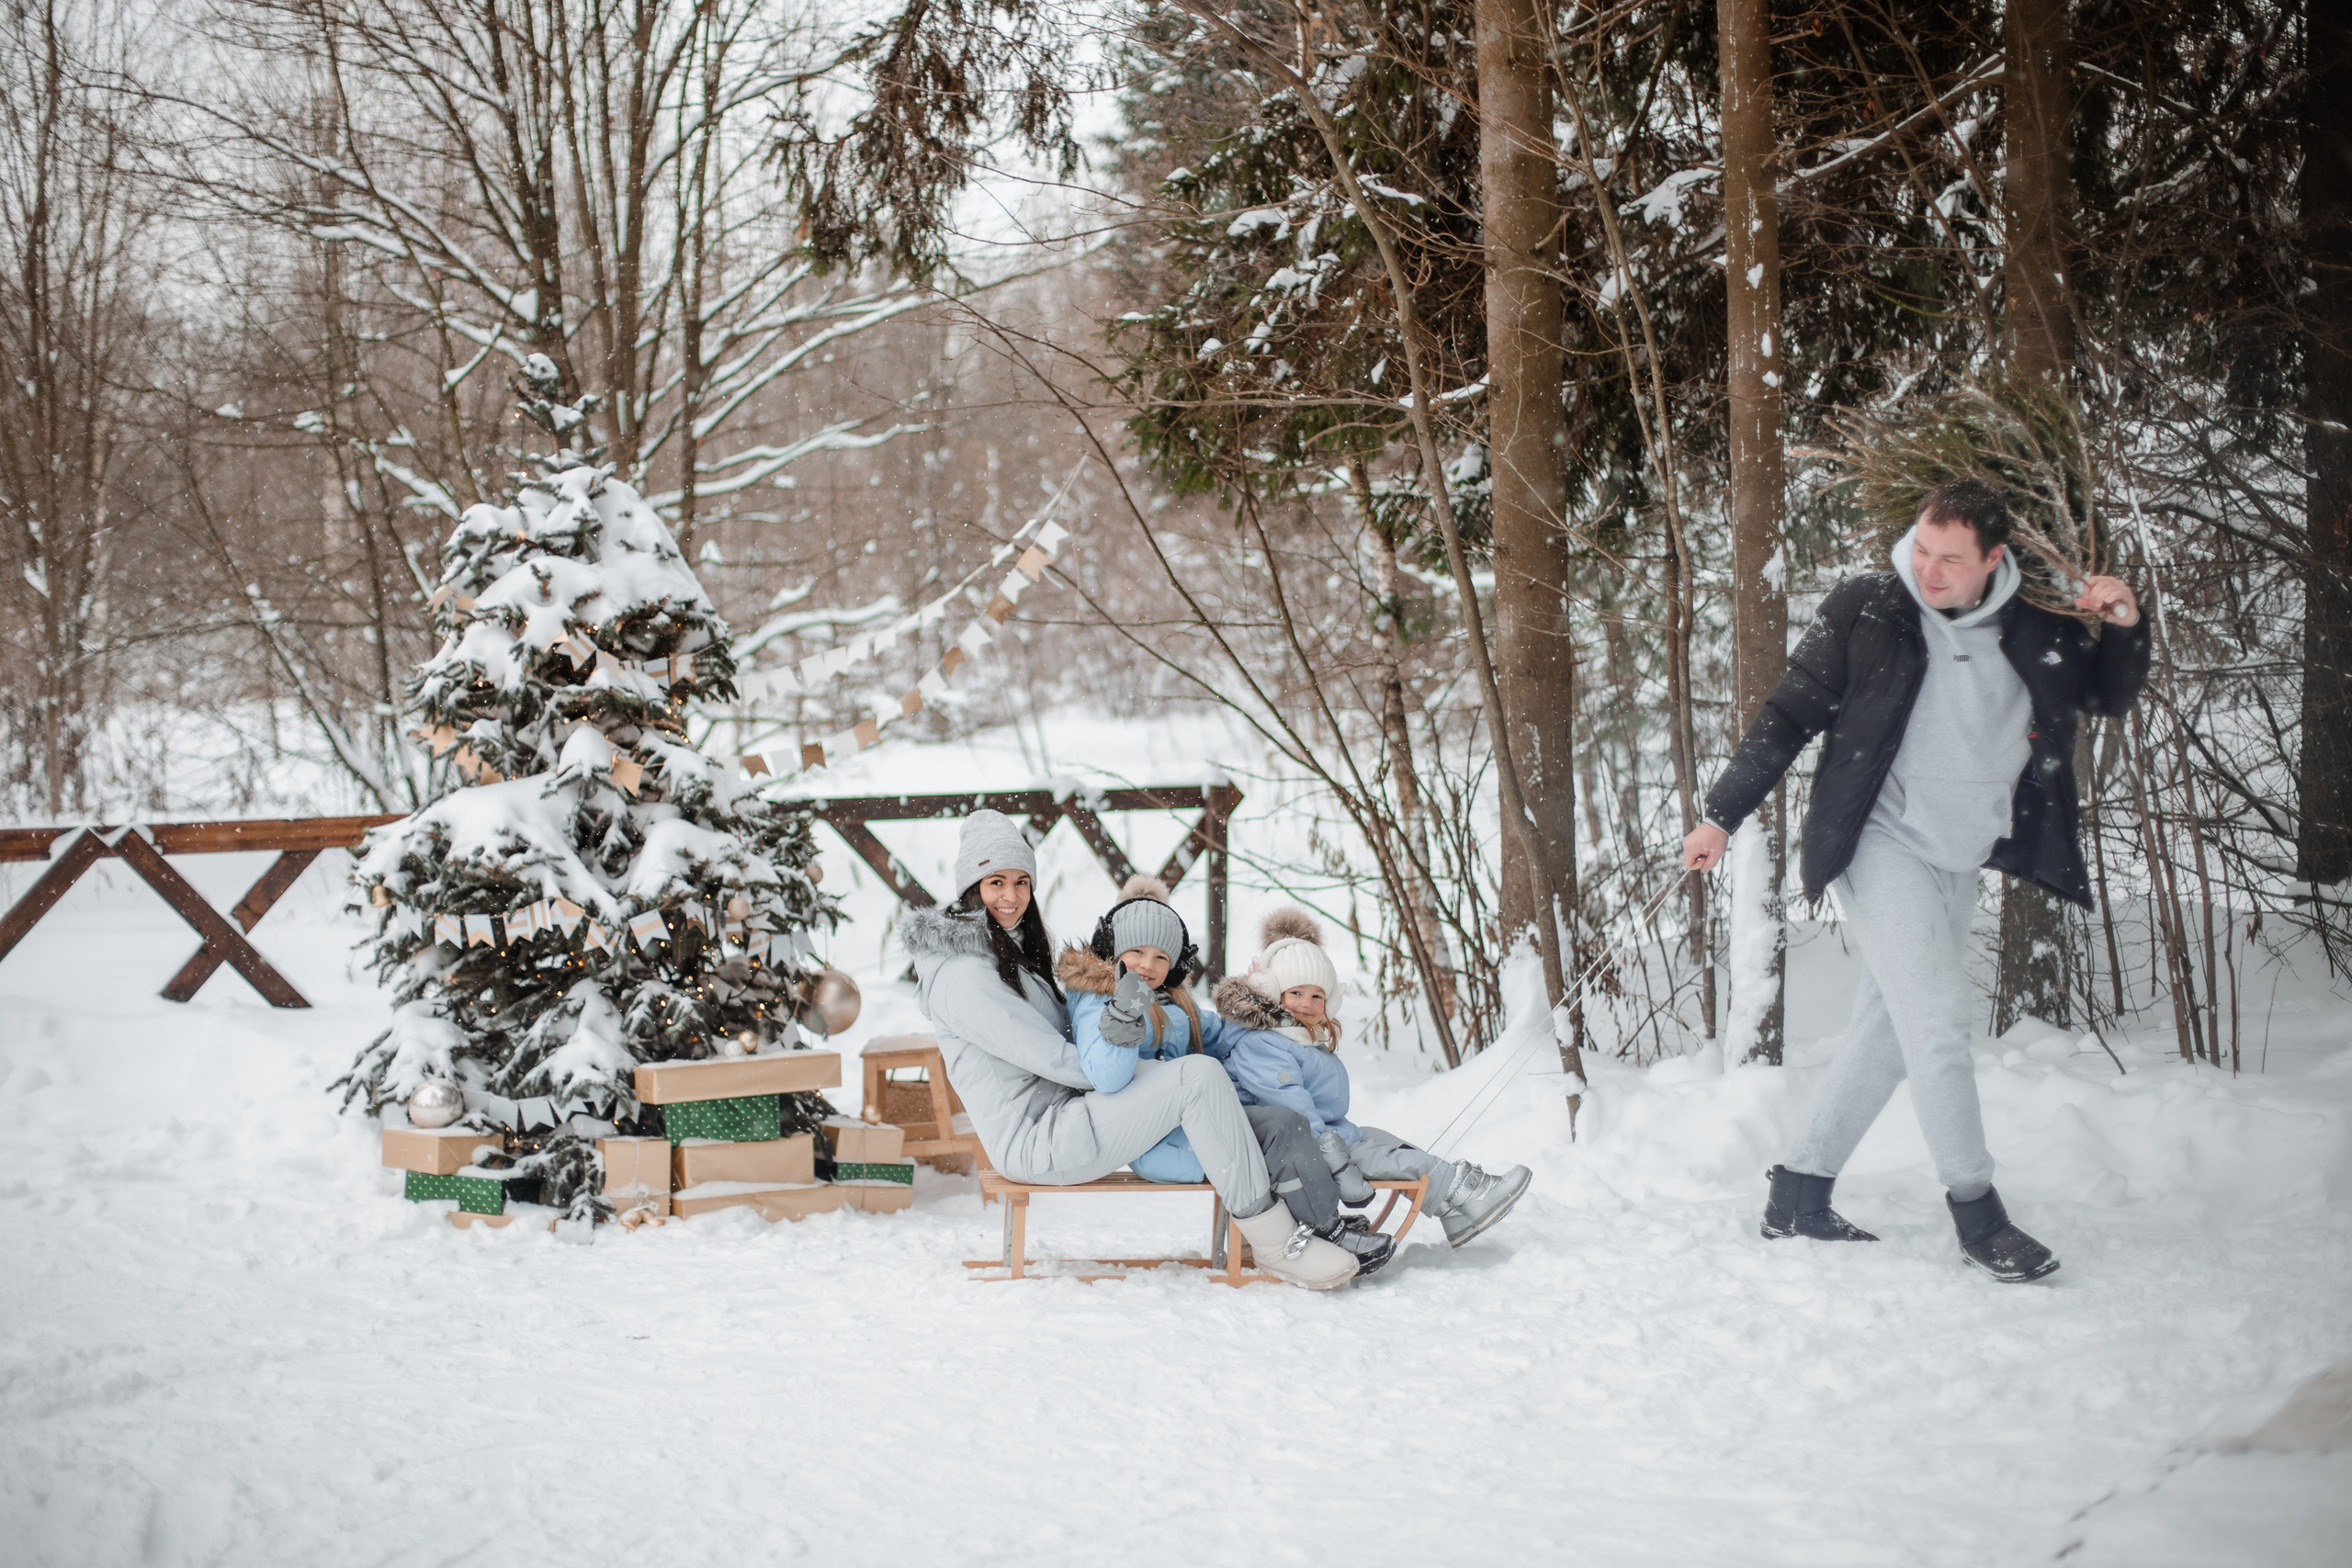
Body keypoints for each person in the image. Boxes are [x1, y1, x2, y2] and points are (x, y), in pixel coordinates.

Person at [1680, 477, 2150, 1282]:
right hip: (1877, 838)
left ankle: (1799, 1191)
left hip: (1961, 851)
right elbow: (1790, 712)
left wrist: (2125, 622)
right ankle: (1978, 1214)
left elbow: (2107, 693)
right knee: (1935, 1024)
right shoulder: (1873, 606)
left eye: (1949, 560)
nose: (1928, 571)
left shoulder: (2036, 619)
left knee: (1892, 1035)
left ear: (1992, 560)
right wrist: (1721, 813)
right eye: (1921, 550)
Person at [903, 809, 1359, 1289]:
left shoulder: (1007, 953)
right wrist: (1129, 1059)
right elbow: (1057, 1059)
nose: (1011, 896)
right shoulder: (964, 976)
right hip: (1038, 1139)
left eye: (1021, 882)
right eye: (996, 882)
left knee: (1204, 1081)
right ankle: (1276, 1244)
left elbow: (1097, 1053)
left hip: (1068, 1113)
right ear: (970, 886)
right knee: (1196, 1078)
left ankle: (1301, 1218)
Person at [1059, 877, 1396, 1275]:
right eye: (1136, 952)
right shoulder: (1097, 1000)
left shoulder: (1176, 1003)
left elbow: (1224, 1038)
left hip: (1195, 1123)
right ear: (1113, 951)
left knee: (1286, 1121)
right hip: (1158, 1144)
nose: (1148, 965)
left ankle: (1322, 1220)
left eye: (1161, 957)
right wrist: (1124, 1015)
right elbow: (1107, 1078)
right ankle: (1323, 1228)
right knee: (1278, 1133)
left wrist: (1260, 1006)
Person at [1211, 910, 1534, 1248]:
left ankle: (1450, 1207)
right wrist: (1336, 1159)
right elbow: (1290, 1106)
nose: (1307, 1004)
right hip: (1294, 1148)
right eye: (1295, 993)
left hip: (1322, 1135)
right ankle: (1463, 1188)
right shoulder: (1261, 1043)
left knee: (1380, 1138)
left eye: (1317, 995)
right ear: (1274, 994)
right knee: (1381, 1158)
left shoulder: (1297, 1037)